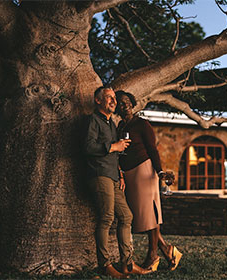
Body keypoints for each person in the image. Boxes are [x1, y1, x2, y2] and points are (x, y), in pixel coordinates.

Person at [83, 87, 152, 279]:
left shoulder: (112, 124)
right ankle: (105, 265)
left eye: (114, 98)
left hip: (113, 175)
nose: (113, 101)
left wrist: (120, 173)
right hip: (99, 174)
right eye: (109, 98)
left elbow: (115, 153)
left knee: (127, 216)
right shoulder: (93, 121)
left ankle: (127, 264)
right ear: (98, 100)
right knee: (106, 217)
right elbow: (88, 147)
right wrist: (114, 146)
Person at [115, 90, 182, 272]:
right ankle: (166, 249)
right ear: (117, 107)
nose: (125, 105)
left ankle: (153, 255)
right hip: (128, 174)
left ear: (133, 103)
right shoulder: (120, 126)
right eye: (121, 103)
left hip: (144, 171)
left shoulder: (142, 124)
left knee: (151, 213)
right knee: (141, 216)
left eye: (128, 101)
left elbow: (153, 149)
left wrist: (160, 171)